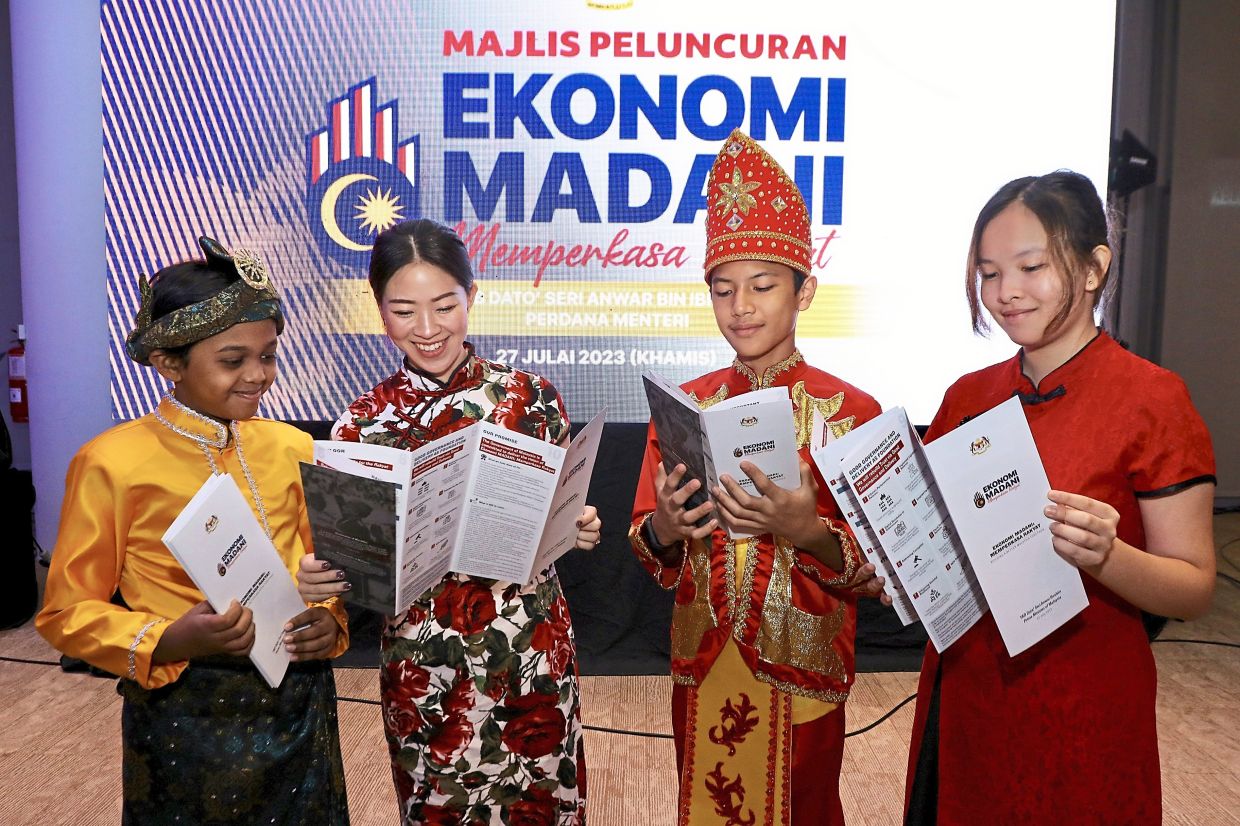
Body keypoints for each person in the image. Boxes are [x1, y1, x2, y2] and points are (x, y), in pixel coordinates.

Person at [903, 171, 1216, 825]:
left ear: (1095, 266)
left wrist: (1107, 556)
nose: (1006, 292)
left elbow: (1192, 589)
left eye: (1031, 267)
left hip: (1085, 706)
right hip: (970, 697)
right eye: (989, 273)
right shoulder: (968, 395)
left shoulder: (1152, 399)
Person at [36, 237, 351, 824]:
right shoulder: (112, 462)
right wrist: (172, 639)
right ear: (169, 364)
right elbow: (65, 614)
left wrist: (327, 620)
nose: (260, 376)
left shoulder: (292, 446)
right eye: (234, 360)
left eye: (269, 355)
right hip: (186, 708)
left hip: (298, 697)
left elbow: (326, 566)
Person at [297, 218, 602, 825]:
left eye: (445, 305)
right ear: (379, 311)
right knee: (439, 805)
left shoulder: (531, 399)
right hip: (425, 663)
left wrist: (577, 526)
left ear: (473, 296)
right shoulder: (361, 426)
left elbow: (553, 515)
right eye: (404, 310)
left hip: (527, 646)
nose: (428, 329)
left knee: (541, 803)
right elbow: (351, 559)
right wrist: (319, 573)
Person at [629, 129, 884, 826]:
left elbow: (880, 572)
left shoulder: (850, 413)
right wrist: (667, 528)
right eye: (723, 288)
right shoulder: (686, 406)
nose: (741, 306)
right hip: (706, 661)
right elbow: (648, 546)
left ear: (805, 292)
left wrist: (808, 532)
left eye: (763, 285)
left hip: (803, 661)